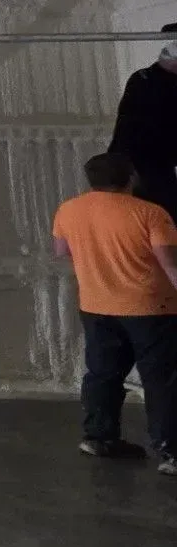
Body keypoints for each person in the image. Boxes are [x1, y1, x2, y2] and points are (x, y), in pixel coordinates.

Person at [53, 152, 177, 475]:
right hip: (151, 309)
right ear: (131, 177)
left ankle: (98, 437)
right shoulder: (150, 214)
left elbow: (62, 251)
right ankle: (170, 450)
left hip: (95, 305)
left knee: (102, 373)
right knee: (162, 379)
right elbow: (171, 265)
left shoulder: (68, 210)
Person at [108, 24, 177, 222]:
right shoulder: (157, 86)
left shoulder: (142, 79)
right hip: (144, 167)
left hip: (134, 164)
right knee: (159, 219)